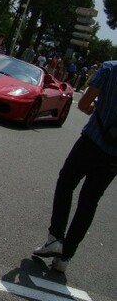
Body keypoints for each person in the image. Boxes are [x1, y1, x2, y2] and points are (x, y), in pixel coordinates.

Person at [33, 60, 117, 273]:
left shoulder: (109, 68)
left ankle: (55, 238)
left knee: (66, 183)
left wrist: (96, 108)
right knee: (90, 203)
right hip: (114, 157)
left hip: (92, 141)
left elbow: (83, 104)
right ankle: (66, 257)